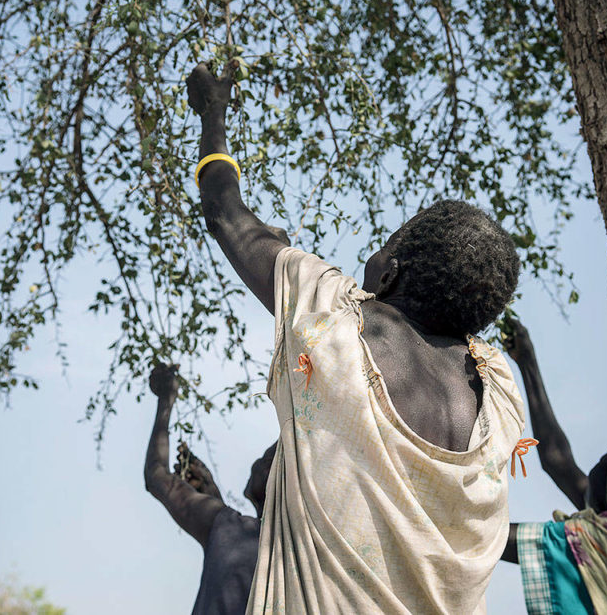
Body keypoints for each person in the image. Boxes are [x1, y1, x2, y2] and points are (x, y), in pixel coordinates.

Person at [186, 61, 527, 613]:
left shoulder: (335, 323)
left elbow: (226, 214)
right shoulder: (502, 388)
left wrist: (212, 111)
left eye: (383, 248)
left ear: (390, 272)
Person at [500, 317, 607, 614]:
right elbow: (558, 462)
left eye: (594, 486)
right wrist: (527, 362)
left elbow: (489, 537)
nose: (583, 484)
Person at [144, 363, 275, 615]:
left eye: (268, 459)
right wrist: (213, 499)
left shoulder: (230, 528)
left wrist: (166, 400)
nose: (259, 460)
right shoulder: (304, 549)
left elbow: (156, 475)